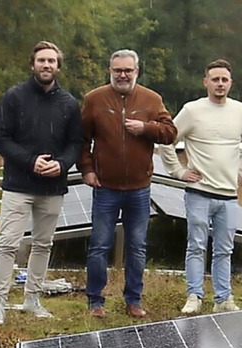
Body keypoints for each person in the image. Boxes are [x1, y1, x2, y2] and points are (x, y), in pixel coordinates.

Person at [0, 41, 82, 326]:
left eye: (52, 61)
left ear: (58, 66)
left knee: (43, 244)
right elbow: (0, 137)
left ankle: (32, 299)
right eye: (41, 60)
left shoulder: (69, 104)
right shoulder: (14, 97)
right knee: (8, 244)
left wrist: (62, 164)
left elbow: (75, 143)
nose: (46, 65)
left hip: (52, 188)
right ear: (33, 64)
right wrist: (30, 161)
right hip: (18, 184)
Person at [79, 49, 177, 318]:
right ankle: (95, 301)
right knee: (100, 245)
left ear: (137, 71)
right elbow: (82, 140)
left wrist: (146, 128)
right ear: (109, 70)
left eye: (128, 70)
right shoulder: (94, 99)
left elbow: (170, 134)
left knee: (137, 245)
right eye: (117, 70)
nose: (122, 75)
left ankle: (133, 299)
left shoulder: (151, 99)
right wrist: (87, 170)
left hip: (139, 188)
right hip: (105, 187)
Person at [159, 59, 242, 315]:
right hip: (199, 192)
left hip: (228, 196)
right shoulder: (192, 110)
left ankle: (223, 297)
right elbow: (167, 140)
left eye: (224, 79)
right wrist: (178, 171)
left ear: (231, 83)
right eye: (215, 79)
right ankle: (194, 295)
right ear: (206, 82)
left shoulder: (240, 111)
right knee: (196, 246)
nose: (220, 84)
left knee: (224, 248)